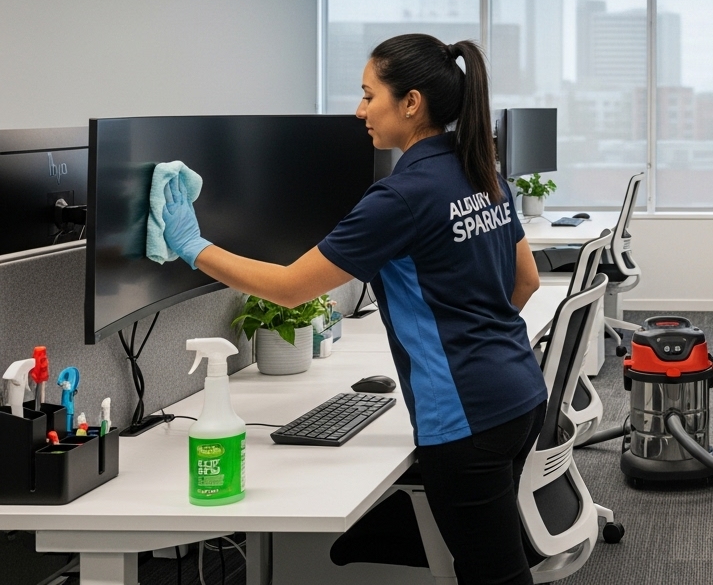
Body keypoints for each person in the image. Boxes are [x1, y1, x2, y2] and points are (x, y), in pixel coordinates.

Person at [159, 34, 546, 585]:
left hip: (465, 418)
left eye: (369, 95)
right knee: (497, 563)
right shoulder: (482, 172)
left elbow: (291, 288)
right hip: (519, 392)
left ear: (411, 103)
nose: (360, 110)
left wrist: (194, 246)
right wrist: (473, 332)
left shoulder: (401, 197)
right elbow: (525, 282)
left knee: (494, 577)